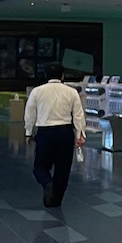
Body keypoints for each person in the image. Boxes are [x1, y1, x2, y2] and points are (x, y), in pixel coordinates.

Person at [25, 64, 85, 208]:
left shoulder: (37, 92)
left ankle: (47, 183)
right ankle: (55, 200)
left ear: (46, 75)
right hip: (65, 133)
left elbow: (30, 113)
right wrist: (80, 134)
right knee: (63, 169)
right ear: (63, 76)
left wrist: (28, 132)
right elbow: (78, 115)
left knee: (40, 167)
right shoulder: (72, 92)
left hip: (45, 132)